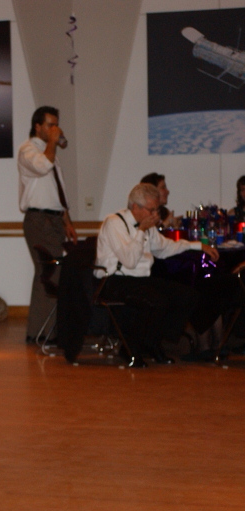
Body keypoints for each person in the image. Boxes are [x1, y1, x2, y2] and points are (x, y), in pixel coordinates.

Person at [94, 183, 219, 367]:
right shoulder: (114, 223)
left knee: (187, 296)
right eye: (151, 210)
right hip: (114, 280)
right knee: (156, 300)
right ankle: (130, 349)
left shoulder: (148, 225)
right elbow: (129, 260)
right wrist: (141, 230)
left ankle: (152, 342)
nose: (155, 215)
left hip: (140, 279)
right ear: (135, 207)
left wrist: (198, 245)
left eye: (156, 210)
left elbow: (164, 248)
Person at [18, 106, 77, 343]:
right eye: (50, 125)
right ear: (38, 127)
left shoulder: (49, 153)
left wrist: (67, 221)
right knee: (51, 272)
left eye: (56, 125)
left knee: (48, 273)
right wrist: (53, 142)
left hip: (54, 219)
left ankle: (40, 331)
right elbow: (43, 166)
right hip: (39, 220)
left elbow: (56, 191)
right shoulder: (28, 150)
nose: (55, 129)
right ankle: (45, 332)